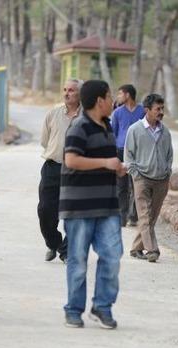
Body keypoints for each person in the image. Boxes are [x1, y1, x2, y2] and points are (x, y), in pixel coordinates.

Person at [61, 80, 127, 329]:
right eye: (110, 97)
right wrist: (105, 163)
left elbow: (105, 161)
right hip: (79, 207)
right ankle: (73, 309)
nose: (113, 101)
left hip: (107, 205)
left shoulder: (107, 126)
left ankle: (102, 306)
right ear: (100, 101)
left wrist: (116, 168)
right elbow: (71, 160)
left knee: (112, 255)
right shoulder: (79, 127)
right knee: (78, 261)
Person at [124, 93, 173, 263]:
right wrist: (135, 174)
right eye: (157, 109)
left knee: (152, 217)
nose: (161, 112)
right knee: (144, 216)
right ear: (147, 110)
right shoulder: (135, 130)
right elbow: (128, 155)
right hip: (141, 179)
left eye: (162, 109)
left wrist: (167, 171)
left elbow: (169, 154)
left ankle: (135, 248)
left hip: (161, 180)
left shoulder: (165, 131)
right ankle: (152, 250)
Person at [39, 79, 83, 262]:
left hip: (78, 172)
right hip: (52, 167)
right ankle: (54, 243)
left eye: (71, 90)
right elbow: (45, 141)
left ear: (80, 93)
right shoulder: (53, 114)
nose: (66, 93)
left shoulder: (89, 117)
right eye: (65, 89)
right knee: (45, 210)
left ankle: (67, 252)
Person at [110, 84, 145, 227]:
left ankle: (133, 216)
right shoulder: (117, 113)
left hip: (137, 152)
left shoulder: (142, 111)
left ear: (128, 95)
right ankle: (122, 217)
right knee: (121, 186)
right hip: (120, 151)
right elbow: (113, 133)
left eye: (120, 94)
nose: (118, 97)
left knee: (136, 185)